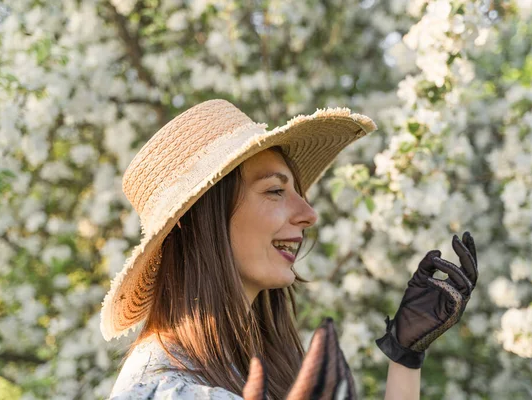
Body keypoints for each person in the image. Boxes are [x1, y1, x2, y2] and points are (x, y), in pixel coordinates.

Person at [101, 99, 479, 399]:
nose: (308, 214)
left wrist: (405, 355)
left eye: (298, 192)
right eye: (275, 191)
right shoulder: (164, 388)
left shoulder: (239, 365)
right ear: (205, 221)